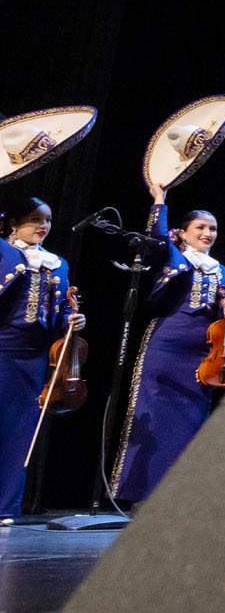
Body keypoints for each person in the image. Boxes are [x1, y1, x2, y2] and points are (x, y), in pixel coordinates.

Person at [110, 196, 225, 504]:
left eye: (213, 228)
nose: (207, 233)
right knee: (152, 416)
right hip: (166, 348)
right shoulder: (173, 257)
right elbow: (156, 236)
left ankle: (175, 496)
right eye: (200, 227)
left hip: (203, 357)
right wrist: (158, 201)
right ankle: (139, 492)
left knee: (190, 423)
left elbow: (222, 323)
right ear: (181, 233)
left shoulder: (222, 271)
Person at [2, 199, 84, 524]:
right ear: (14, 224)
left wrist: (73, 319)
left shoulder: (57, 263)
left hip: (34, 357)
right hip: (3, 349)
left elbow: (62, 308)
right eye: (35, 219)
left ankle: (5, 506)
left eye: (47, 220)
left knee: (21, 433)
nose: (43, 226)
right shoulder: (5, 252)